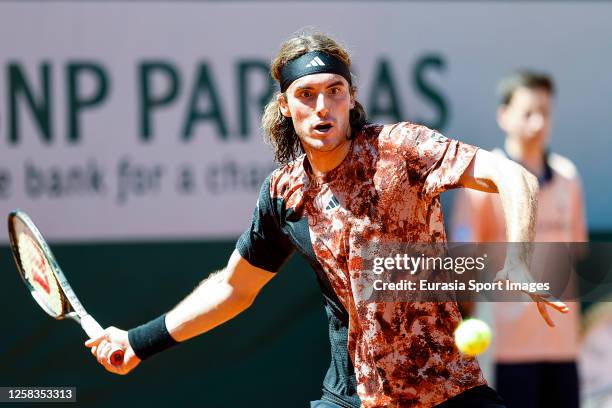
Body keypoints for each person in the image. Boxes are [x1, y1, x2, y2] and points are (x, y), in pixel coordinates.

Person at [86, 34, 568, 408]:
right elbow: (234, 290)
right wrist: (138, 342)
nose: (322, 107)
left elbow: (513, 176)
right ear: (285, 106)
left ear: (351, 96)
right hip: (353, 396)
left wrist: (520, 260)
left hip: (448, 390)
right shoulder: (284, 194)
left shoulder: (401, 148)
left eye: (334, 91)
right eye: (307, 94)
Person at [452, 71, 587, 408]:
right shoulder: (482, 184)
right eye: (528, 112)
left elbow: (577, 257)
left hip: (563, 348)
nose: (538, 121)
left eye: (545, 112)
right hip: (505, 349)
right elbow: (464, 263)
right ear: (504, 116)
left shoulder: (569, 178)